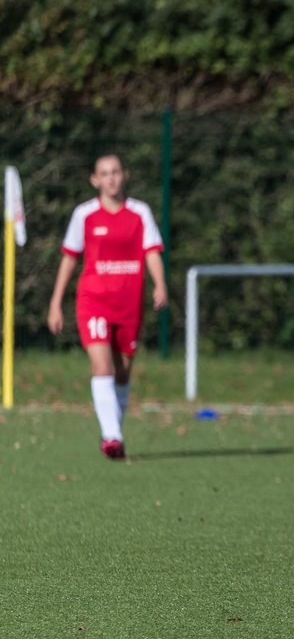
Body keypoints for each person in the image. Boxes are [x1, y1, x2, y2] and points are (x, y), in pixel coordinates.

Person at [47, 154, 168, 460]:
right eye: (104, 173)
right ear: (95, 180)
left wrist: (160, 283)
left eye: (115, 172)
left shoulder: (140, 212)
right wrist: (56, 302)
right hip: (94, 301)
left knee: (123, 372)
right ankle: (112, 437)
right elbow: (70, 256)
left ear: (124, 175)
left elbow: (152, 251)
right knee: (102, 366)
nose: (111, 178)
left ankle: (113, 430)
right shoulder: (84, 215)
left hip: (128, 303)